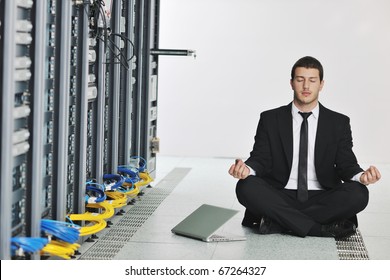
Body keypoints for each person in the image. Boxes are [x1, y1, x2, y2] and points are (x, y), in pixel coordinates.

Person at [228, 56, 381, 238]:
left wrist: (362, 176)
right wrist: (247, 169)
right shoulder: (270, 119)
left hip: (322, 197)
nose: (306, 86)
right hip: (280, 194)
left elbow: (346, 163)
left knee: (359, 193)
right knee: (246, 187)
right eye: (300, 80)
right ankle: (318, 229)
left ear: (321, 84)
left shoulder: (338, 122)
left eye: (312, 80)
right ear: (292, 83)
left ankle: (279, 221)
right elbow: (261, 157)